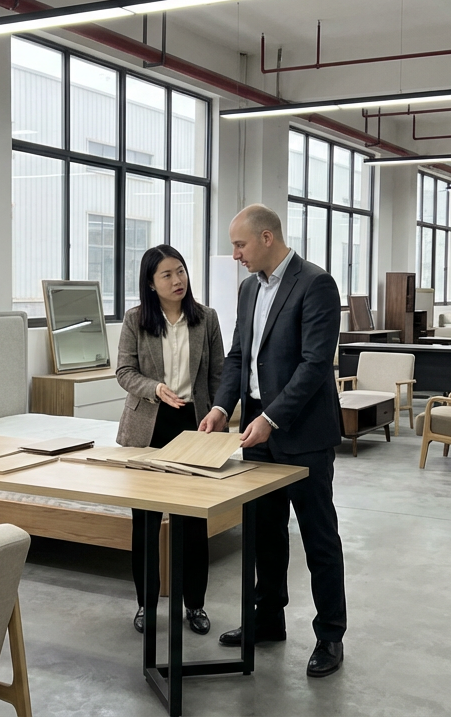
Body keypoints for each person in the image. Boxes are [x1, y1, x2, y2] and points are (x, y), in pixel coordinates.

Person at [197, 204, 347, 678]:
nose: (235, 254)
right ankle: (267, 619)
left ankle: (330, 636)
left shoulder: (316, 284)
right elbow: (239, 355)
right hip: (255, 431)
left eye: (239, 245)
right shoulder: (247, 290)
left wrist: (273, 418)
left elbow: (314, 364)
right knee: (263, 533)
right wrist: (222, 408)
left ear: (266, 238)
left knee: (318, 536)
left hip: (302, 433)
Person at [114, 245, 225, 636]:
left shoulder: (206, 318)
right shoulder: (135, 320)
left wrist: (219, 416)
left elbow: (218, 375)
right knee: (144, 523)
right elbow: (124, 371)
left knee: (193, 523)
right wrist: (155, 387)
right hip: (147, 427)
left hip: (194, 426)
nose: (178, 280)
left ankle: (194, 604)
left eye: (181, 271)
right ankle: (146, 605)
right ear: (150, 283)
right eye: (167, 275)